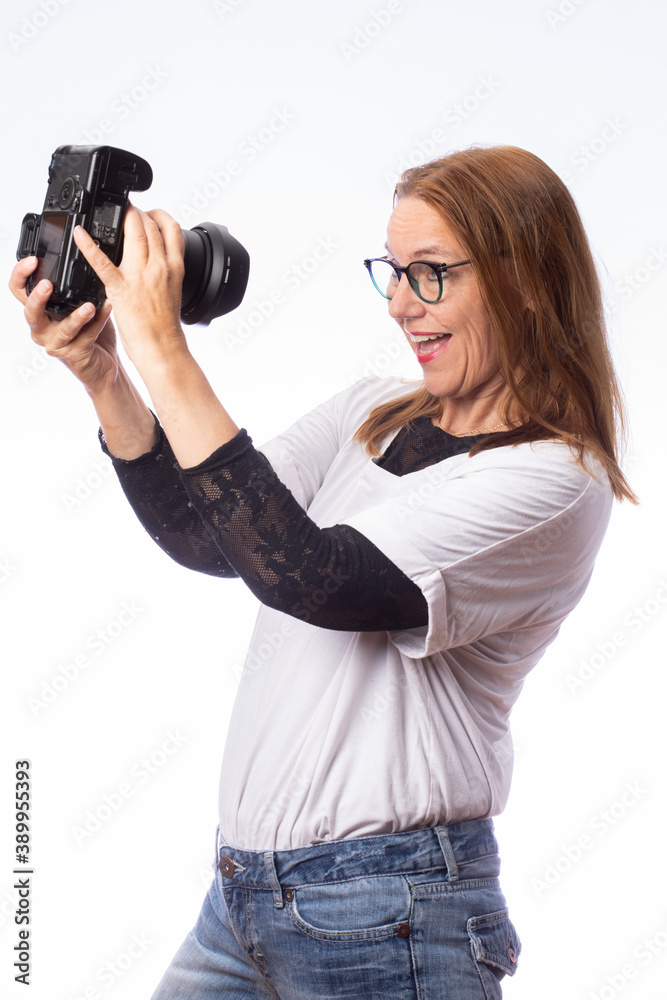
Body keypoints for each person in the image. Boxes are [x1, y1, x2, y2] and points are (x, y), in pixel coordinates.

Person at [10, 144, 635, 999]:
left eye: (433, 274)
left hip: (392, 910)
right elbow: (212, 536)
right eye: (393, 272)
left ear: (526, 278)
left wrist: (164, 344)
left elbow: (314, 578)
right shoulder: (368, 414)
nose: (403, 307)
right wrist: (108, 374)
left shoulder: (552, 480)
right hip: (239, 900)